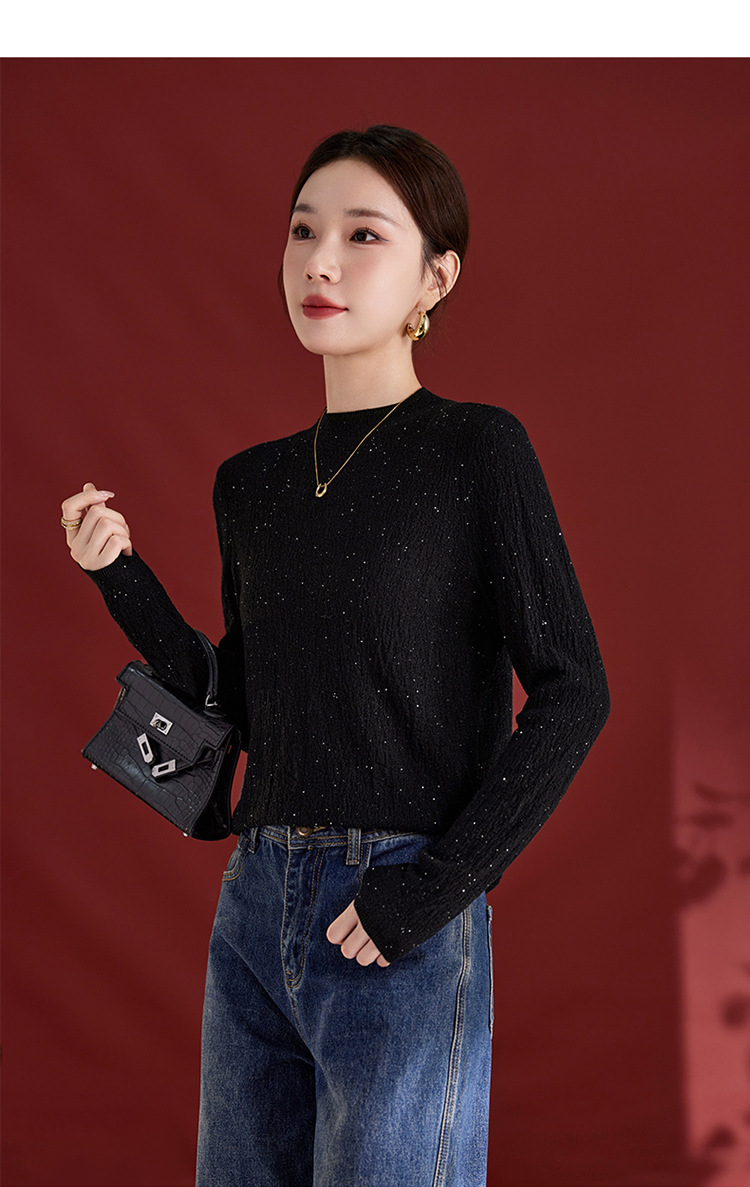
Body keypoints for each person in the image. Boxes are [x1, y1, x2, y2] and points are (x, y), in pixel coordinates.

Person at [61, 124, 610, 1187]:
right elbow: (243, 696)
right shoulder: (251, 483)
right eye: (303, 230)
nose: (319, 261)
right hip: (254, 900)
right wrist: (119, 575)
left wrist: (433, 891)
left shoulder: (477, 448)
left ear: (435, 278)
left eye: (364, 235)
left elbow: (575, 689)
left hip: (397, 909)